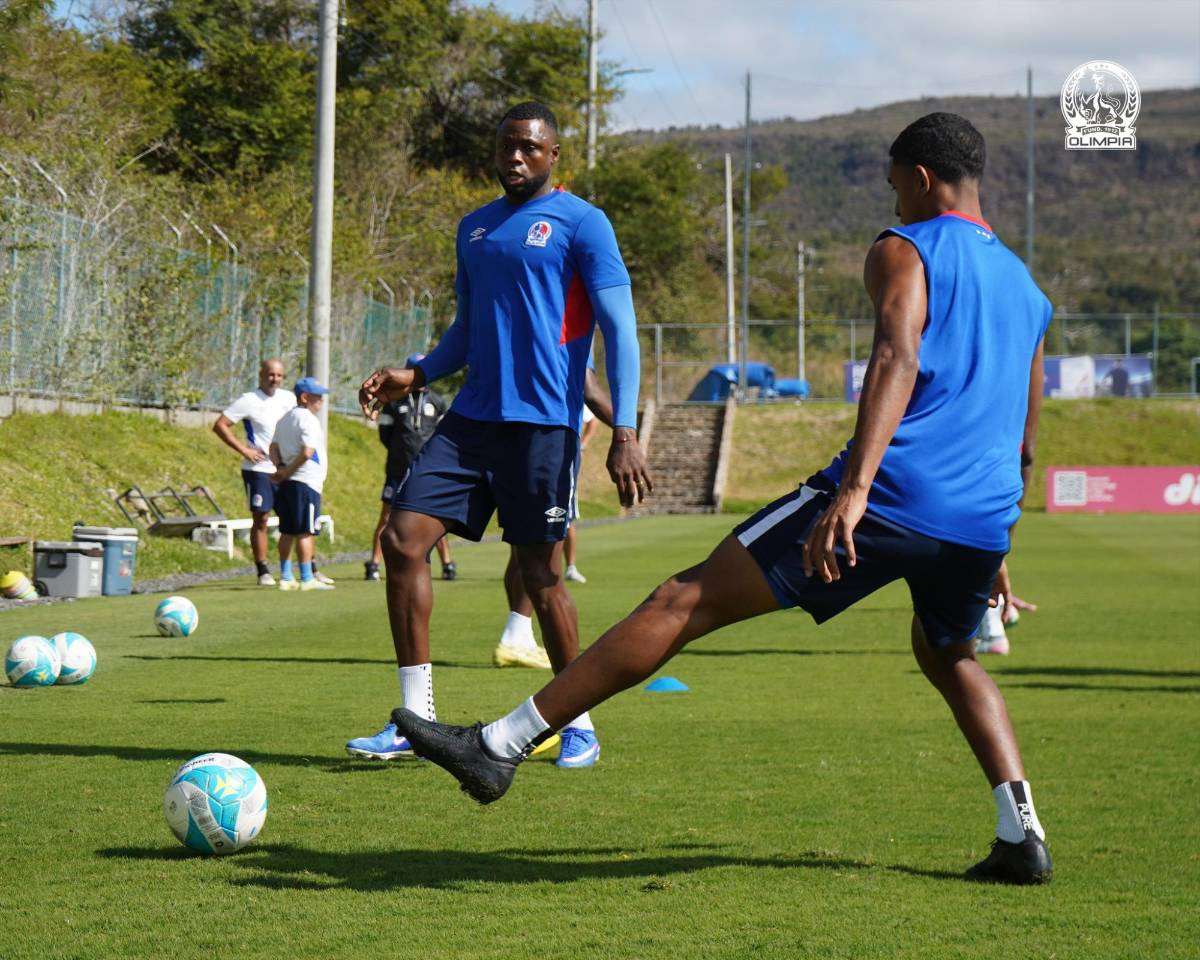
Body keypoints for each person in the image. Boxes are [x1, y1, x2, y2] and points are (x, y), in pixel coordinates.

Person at [394, 113, 1057, 886]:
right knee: (951, 655)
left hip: (893, 494)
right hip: (981, 515)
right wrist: (997, 540)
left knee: (683, 600)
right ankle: (1022, 833)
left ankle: (499, 744)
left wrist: (854, 491)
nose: (892, 201)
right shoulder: (1028, 288)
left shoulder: (904, 248)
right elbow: (1023, 437)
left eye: (892, 185)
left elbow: (896, 354)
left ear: (917, 179)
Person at [349, 100, 651, 767]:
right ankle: (414, 722)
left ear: (554, 156)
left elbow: (620, 331)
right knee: (402, 541)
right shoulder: (475, 229)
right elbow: (467, 328)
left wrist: (623, 429)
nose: (516, 157)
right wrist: (418, 370)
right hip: (471, 421)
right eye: (507, 146)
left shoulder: (584, 224)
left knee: (541, 575)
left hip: (542, 426)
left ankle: (579, 724)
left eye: (530, 148)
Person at [494, 366, 614, 670]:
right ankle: (517, 639)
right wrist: (628, 431)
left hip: (512, 436)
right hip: (550, 442)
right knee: (546, 559)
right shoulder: (568, 329)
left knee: (523, 549)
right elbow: (591, 392)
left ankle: (518, 634)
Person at [365, 354, 455, 583]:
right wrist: (399, 453)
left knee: (436, 518)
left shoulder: (437, 401)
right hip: (397, 469)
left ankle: (447, 564)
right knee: (387, 517)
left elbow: (444, 433)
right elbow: (385, 435)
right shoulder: (394, 402)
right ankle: (374, 564)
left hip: (428, 469)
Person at [211, 359, 295, 586]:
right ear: (261, 375)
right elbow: (220, 425)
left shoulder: (289, 399)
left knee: (290, 519)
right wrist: (244, 450)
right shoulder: (249, 400)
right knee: (262, 518)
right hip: (258, 469)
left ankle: (289, 569)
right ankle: (263, 570)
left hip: (284, 468)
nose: (274, 379)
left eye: (279, 375)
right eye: (270, 375)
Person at [269, 377, 334, 592]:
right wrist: (287, 470)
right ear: (305, 397)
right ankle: (307, 578)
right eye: (318, 396)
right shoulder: (307, 419)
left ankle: (286, 576)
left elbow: (273, 447)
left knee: (287, 530)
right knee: (306, 531)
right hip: (305, 482)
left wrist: (280, 468)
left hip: (289, 483)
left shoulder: (284, 419)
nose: (322, 400)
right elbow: (308, 451)